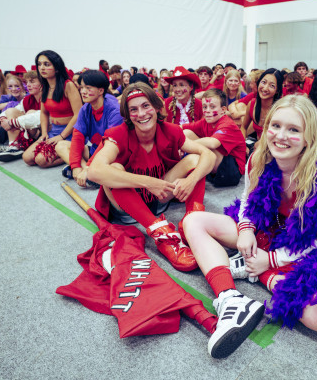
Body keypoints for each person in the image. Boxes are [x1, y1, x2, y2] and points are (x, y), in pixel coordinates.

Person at [183, 94, 317, 357]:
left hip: (306, 249)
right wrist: (247, 228)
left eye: (293, 129)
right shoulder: (258, 158)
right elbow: (247, 199)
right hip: (265, 230)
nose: (280, 136)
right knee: (193, 220)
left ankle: (256, 272)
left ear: (309, 137)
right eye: (276, 126)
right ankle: (230, 298)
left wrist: (269, 261)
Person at [86, 82, 215, 272]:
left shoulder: (171, 130)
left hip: (159, 197)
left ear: (156, 107)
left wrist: (191, 180)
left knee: (194, 160)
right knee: (114, 168)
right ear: (128, 115)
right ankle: (161, 233)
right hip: (126, 209)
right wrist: (147, 182)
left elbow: (208, 155)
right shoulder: (118, 134)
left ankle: (193, 221)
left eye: (146, 106)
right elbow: (94, 171)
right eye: (134, 109)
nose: (141, 114)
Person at [57, 70, 123, 188]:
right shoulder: (85, 108)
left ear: (101, 91)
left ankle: (91, 172)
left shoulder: (114, 111)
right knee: (61, 146)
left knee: (116, 168)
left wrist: (88, 167)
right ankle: (88, 174)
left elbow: (108, 144)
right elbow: (78, 138)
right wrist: (76, 167)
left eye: (88, 88)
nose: (83, 92)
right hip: (94, 151)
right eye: (81, 87)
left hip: (112, 155)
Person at [22, 50, 83, 168]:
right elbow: (44, 113)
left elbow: (78, 114)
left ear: (57, 68)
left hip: (71, 132)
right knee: (27, 158)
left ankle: (74, 157)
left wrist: (62, 136)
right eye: (39, 64)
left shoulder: (68, 85)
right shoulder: (44, 87)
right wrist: (44, 133)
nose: (42, 68)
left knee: (41, 160)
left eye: (47, 64)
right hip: (53, 130)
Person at [183, 89, 246, 187]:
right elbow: (182, 127)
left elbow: (213, 143)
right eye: (205, 107)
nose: (207, 111)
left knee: (207, 146)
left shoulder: (227, 124)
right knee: (186, 133)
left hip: (231, 173)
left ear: (223, 110)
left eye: (212, 107)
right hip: (218, 164)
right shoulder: (205, 121)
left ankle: (190, 171)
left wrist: (184, 144)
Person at [240, 68, 283, 141]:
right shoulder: (252, 104)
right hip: (256, 146)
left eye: (272, 86)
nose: (265, 88)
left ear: (277, 91)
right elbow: (243, 127)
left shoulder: (280, 110)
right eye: (263, 82)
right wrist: (243, 145)